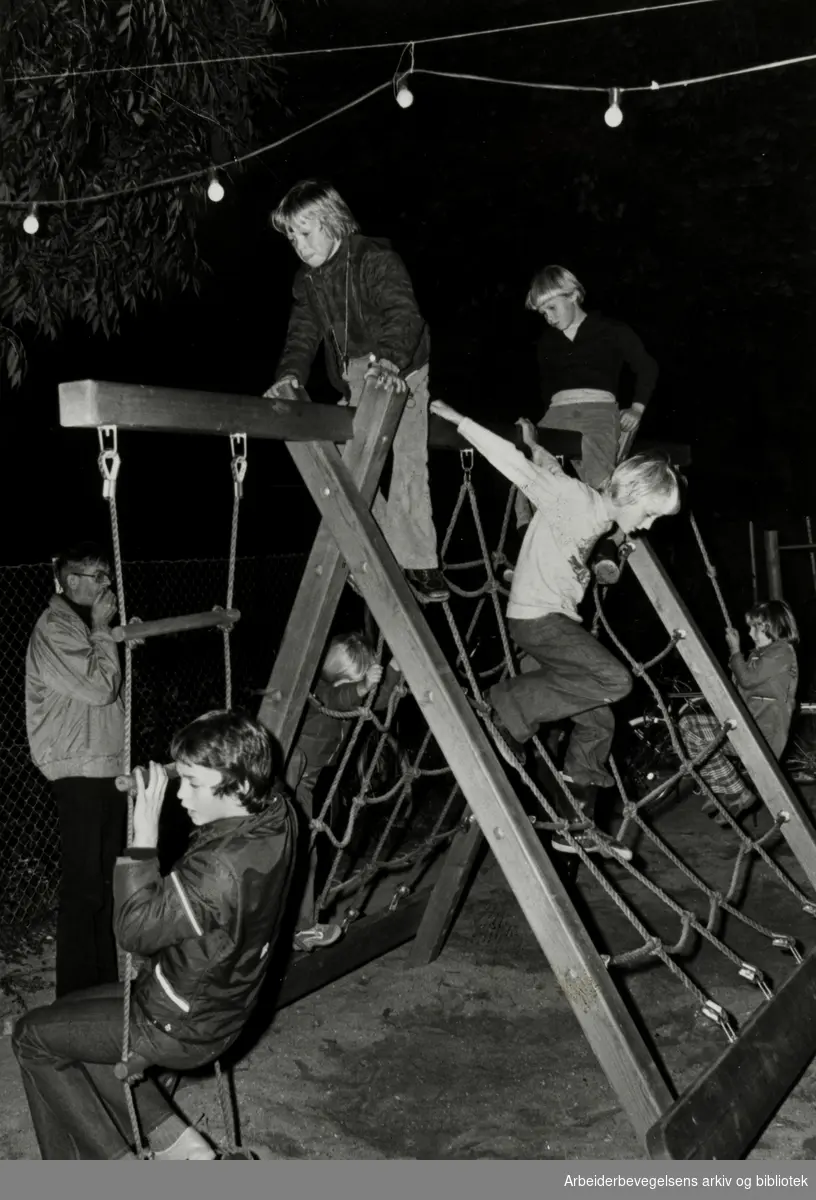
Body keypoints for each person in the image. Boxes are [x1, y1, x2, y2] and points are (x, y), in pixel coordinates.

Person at [12, 710, 297, 1160]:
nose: (181, 795)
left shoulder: (217, 873)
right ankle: (183, 1150)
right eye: (179, 779)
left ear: (239, 785)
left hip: (175, 1023)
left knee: (31, 1037)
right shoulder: (277, 813)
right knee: (66, 1016)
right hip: (219, 1004)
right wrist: (193, 753)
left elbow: (134, 930)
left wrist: (143, 835)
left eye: (194, 784)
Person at [431, 400, 682, 856]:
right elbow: (517, 470)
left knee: (599, 718)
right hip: (537, 619)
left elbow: (547, 472)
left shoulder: (595, 510)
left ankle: (576, 823)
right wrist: (460, 420)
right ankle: (508, 705)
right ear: (630, 494)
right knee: (614, 680)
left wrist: (537, 445)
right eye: (648, 514)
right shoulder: (578, 503)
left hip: (556, 622)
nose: (645, 527)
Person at [264, 178, 447, 602]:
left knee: (407, 461)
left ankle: (420, 562)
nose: (300, 246)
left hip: (402, 367)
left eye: (306, 233)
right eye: (292, 238)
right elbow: (302, 333)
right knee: (344, 471)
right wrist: (290, 373)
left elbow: (404, 313)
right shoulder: (308, 282)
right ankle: (380, 547)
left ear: (332, 222)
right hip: (355, 377)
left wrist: (388, 361)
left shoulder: (374, 258)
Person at [25, 542, 126, 998]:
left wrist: (117, 636)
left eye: (107, 575)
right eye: (96, 576)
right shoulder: (54, 627)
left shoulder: (81, 626)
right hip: (78, 770)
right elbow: (100, 685)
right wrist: (106, 630)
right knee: (85, 890)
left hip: (104, 765)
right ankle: (74, 996)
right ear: (69, 581)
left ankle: (103, 988)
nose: (107, 584)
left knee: (105, 887)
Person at [514, 266, 659, 565]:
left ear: (574, 295)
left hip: (597, 410)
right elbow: (547, 391)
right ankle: (528, 537)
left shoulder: (610, 330)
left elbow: (647, 367)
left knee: (596, 474)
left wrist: (637, 408)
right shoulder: (547, 343)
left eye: (552, 308)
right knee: (528, 455)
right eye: (543, 313)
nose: (549, 318)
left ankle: (605, 544)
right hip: (557, 411)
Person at [286, 633, 402, 950]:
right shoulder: (319, 692)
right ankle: (295, 926)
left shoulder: (347, 694)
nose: (363, 684)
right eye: (360, 676)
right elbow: (339, 699)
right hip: (289, 771)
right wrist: (362, 687)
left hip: (305, 781)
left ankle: (301, 927)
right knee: (294, 849)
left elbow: (374, 699)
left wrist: (393, 668)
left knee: (304, 850)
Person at [679, 600, 799, 823]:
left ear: (767, 626)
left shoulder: (782, 652)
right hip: (747, 729)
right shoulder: (759, 655)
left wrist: (735, 650)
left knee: (692, 728)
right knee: (689, 725)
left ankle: (735, 792)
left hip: (762, 735)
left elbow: (748, 679)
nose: (750, 631)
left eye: (754, 626)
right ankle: (725, 790)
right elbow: (740, 687)